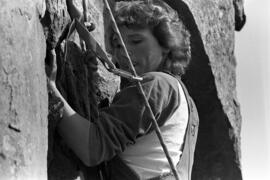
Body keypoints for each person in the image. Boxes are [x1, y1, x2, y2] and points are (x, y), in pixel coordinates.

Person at [46, 0, 199, 179]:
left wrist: (51, 90)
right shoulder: (183, 99)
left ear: (166, 45)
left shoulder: (156, 85)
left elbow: (92, 148)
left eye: (136, 41)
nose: (124, 52)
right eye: (118, 45)